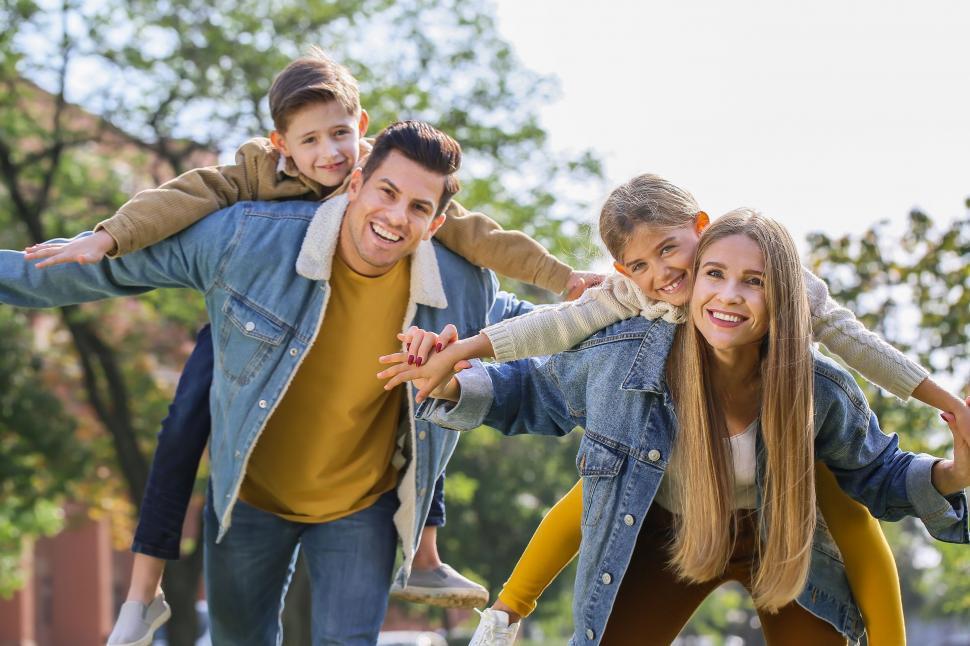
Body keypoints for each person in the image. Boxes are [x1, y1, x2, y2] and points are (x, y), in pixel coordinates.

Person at [24, 49, 597, 645]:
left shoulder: (405, 190)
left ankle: (425, 549)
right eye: (311, 140)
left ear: (363, 134)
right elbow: (182, 202)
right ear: (283, 144)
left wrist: (572, 283)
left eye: (341, 135)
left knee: (437, 366)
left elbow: (487, 246)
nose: (329, 152)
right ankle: (143, 594)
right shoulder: (253, 198)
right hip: (250, 414)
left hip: (360, 503)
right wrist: (106, 234)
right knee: (184, 420)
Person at [381, 175, 970, 644]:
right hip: (668, 526)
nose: (722, 293)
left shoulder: (817, 379)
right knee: (599, 498)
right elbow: (541, 371)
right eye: (713, 275)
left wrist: (954, 447)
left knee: (840, 516)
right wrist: (455, 371)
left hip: (784, 536)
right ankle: (509, 606)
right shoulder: (626, 336)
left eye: (752, 282)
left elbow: (879, 465)